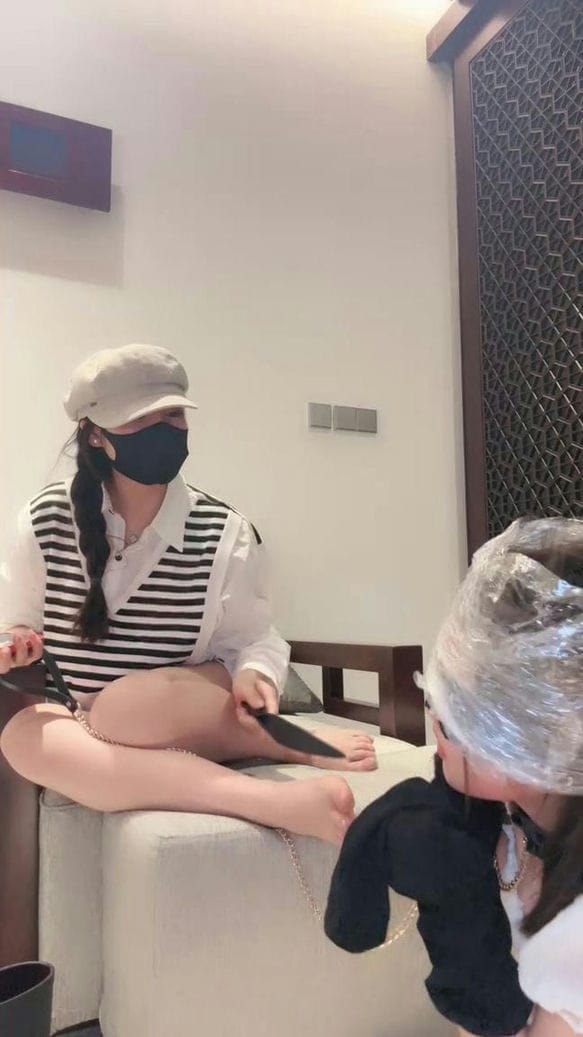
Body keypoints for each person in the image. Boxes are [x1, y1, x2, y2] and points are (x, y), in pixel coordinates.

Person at [0, 343, 376, 845]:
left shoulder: (224, 530)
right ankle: (273, 798)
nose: (164, 430)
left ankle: (273, 735)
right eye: (140, 419)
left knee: (123, 709)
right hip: (75, 713)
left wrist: (254, 675)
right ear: (95, 435)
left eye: (173, 415)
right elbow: (17, 622)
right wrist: (16, 643)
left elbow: (252, 639)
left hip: (177, 703)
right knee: (21, 738)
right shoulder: (44, 519)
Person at [325, 517, 583, 1036]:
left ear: (536, 733)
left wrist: (458, 924)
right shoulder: (510, 825)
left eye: (456, 708)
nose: (433, 717)